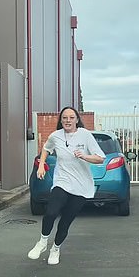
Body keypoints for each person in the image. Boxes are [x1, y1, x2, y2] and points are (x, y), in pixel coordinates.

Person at [28, 106, 106, 265]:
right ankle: (42, 242)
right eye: (64, 118)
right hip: (62, 181)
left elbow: (100, 158)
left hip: (81, 185)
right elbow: (46, 149)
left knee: (65, 221)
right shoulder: (55, 136)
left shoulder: (85, 135)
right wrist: (42, 164)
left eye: (71, 118)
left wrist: (84, 156)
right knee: (51, 212)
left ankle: (55, 248)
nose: (67, 120)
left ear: (77, 120)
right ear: (61, 120)